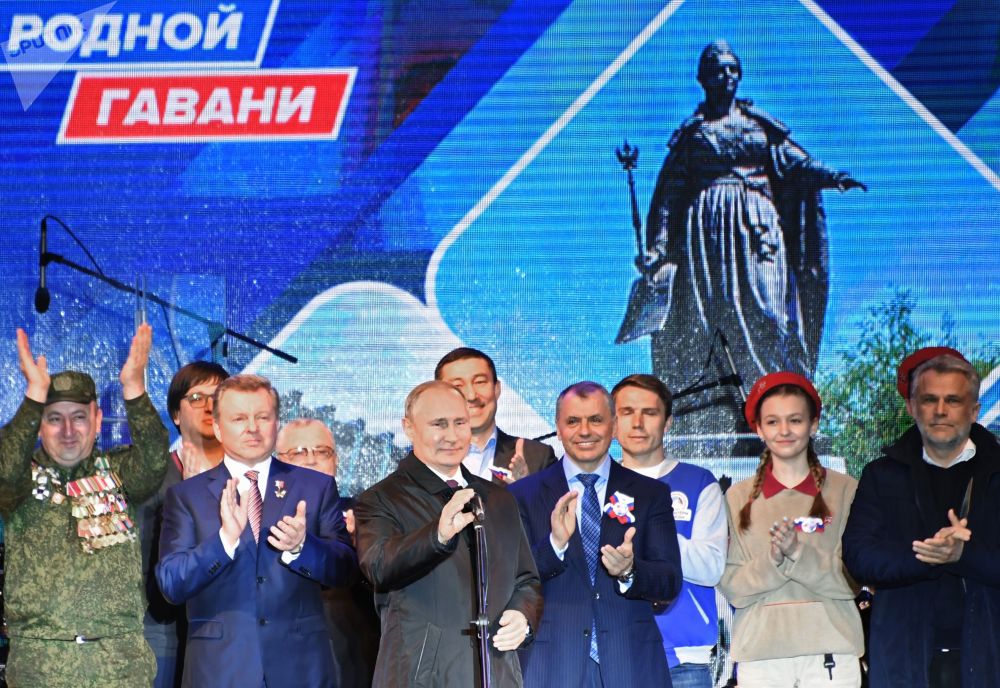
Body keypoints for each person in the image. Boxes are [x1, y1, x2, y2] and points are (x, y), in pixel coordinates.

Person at [623, 39, 865, 434]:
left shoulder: (759, 126)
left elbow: (795, 163)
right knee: (709, 320)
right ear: (703, 78)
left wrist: (831, 176)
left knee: (770, 314)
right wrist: (660, 248)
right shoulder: (692, 136)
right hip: (705, 237)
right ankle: (715, 413)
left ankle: (775, 408)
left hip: (757, 229)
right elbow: (669, 197)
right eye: (719, 70)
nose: (727, 76)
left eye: (733, 69)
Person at [156, 374, 356, 688]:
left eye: (262, 417)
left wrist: (301, 548)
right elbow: (171, 584)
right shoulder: (186, 496)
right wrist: (224, 542)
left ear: (276, 423)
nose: (252, 428)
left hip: (301, 669)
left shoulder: (315, 487)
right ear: (218, 428)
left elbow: (345, 569)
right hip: (220, 670)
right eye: (239, 418)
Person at [0, 324, 169, 687]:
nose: (68, 431)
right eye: (54, 418)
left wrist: (134, 388)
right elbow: (5, 468)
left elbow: (156, 461)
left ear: (97, 420)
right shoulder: (19, 483)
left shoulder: (119, 472)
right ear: (39, 426)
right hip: (40, 669)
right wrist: (33, 397)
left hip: (119, 668)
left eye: (78, 417)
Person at [353, 380, 542, 687]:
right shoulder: (381, 499)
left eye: (460, 423)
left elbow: (526, 579)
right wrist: (437, 536)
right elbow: (379, 566)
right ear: (409, 427)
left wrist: (523, 617)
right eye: (439, 424)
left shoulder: (498, 499)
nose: (452, 436)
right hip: (421, 676)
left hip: (496, 671)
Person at [843, 348, 1000, 687]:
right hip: (903, 658)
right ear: (911, 407)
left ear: (974, 410)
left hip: (989, 659)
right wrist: (928, 557)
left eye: (953, 400)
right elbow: (858, 558)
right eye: (929, 400)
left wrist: (963, 555)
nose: (940, 410)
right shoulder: (881, 475)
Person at [508, 381, 682, 688]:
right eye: (573, 421)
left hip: (631, 664)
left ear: (613, 425)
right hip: (552, 665)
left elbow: (669, 583)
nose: (585, 431)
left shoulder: (650, 494)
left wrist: (629, 571)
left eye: (596, 420)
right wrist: (555, 545)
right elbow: (511, 579)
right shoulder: (522, 495)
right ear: (558, 428)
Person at [719, 372, 863, 686]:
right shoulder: (737, 497)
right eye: (772, 422)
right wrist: (773, 559)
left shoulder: (846, 490)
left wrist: (798, 553)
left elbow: (852, 581)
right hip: (760, 656)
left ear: (813, 425)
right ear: (758, 429)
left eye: (795, 420)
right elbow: (732, 587)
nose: (784, 431)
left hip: (832, 651)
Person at [612, 374, 726, 688]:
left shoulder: (698, 482)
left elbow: (712, 567)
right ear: (612, 422)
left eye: (649, 413)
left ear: (668, 422)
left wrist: (654, 534)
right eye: (626, 412)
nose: (638, 423)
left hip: (685, 660)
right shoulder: (598, 485)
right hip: (614, 653)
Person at [137, 360, 229, 688]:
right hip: (162, 633)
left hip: (227, 635)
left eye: (218, 398)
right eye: (196, 398)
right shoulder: (153, 478)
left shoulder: (249, 479)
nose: (208, 406)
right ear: (176, 414)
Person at [276, 417, 379, 688]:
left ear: (336, 460)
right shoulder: (261, 516)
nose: (311, 460)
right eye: (299, 452)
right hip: (283, 651)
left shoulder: (369, 513)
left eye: (322, 452)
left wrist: (361, 548)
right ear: (277, 461)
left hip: (352, 650)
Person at [435, 347, 556, 483]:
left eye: (480, 382)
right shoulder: (422, 458)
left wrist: (525, 490)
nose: (471, 396)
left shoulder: (537, 457)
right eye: (457, 385)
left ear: (496, 389)